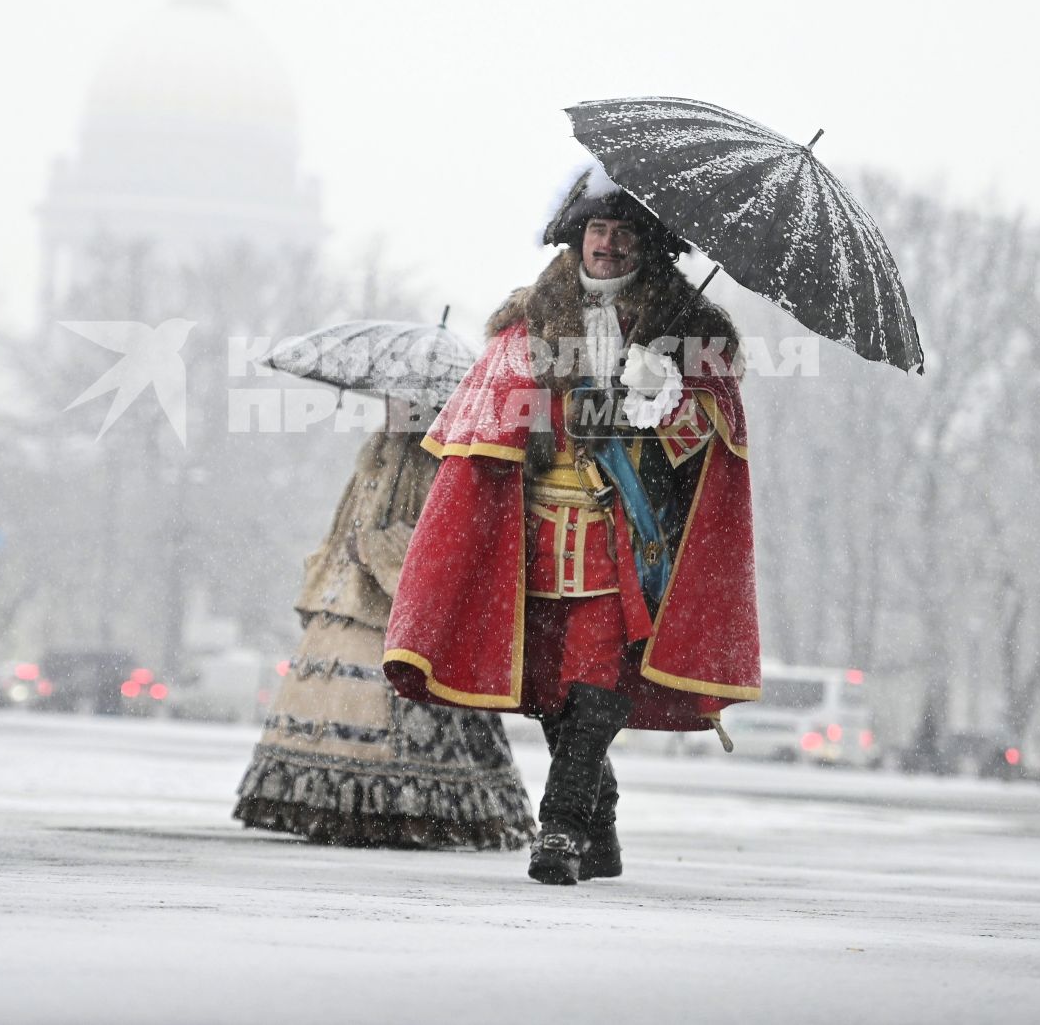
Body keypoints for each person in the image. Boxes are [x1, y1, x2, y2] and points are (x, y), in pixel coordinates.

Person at [384, 159, 762, 885]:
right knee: (553, 692)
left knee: (597, 682)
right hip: (530, 542)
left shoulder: (689, 329)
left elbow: (712, 443)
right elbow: (488, 421)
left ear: (648, 244)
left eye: (624, 233)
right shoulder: (528, 320)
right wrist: (558, 415)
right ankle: (603, 825)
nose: (609, 245)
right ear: (575, 235)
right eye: (597, 229)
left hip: (626, 538)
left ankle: (557, 829)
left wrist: (664, 397)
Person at [234, 397, 535, 850]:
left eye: (407, 401)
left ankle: (407, 811)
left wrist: (377, 550)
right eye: (391, 400)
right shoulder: (374, 455)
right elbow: (343, 526)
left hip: (399, 615)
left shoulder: (436, 457)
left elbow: (440, 536)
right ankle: (328, 808)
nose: (395, 408)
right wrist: (335, 568)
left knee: (405, 704)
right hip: (350, 602)